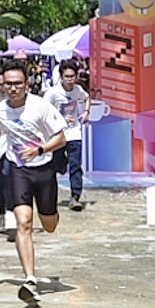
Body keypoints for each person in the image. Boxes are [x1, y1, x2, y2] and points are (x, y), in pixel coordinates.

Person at [0, 61, 70, 308]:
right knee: (23, 223)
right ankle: (29, 279)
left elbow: (61, 137)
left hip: (43, 169)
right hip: (18, 170)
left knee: (48, 225)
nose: (14, 88)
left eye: (18, 83)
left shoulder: (40, 107)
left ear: (27, 84)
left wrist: (39, 149)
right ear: (2, 85)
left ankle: (51, 214)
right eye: (9, 84)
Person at [55, 61, 105, 208]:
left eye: (72, 76)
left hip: (74, 133)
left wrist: (86, 112)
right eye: (66, 77)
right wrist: (59, 119)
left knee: (75, 165)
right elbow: (44, 111)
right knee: (57, 164)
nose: (70, 80)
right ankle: (62, 165)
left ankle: (75, 197)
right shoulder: (53, 93)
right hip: (57, 135)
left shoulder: (78, 90)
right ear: (61, 77)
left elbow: (87, 97)